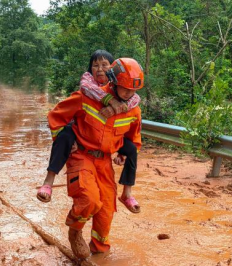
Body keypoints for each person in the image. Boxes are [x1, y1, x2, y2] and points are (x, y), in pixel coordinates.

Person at [47, 58, 143, 258]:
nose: (129, 94)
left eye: (132, 91)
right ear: (113, 81)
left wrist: (123, 154)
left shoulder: (133, 109)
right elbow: (56, 116)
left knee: (107, 208)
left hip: (104, 161)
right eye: (125, 89)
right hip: (81, 155)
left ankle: (100, 251)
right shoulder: (87, 97)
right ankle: (75, 231)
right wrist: (64, 142)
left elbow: (133, 138)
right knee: (89, 199)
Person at [37, 50, 141, 213]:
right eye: (95, 65)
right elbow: (85, 92)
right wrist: (110, 101)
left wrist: (117, 109)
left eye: (104, 65)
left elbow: (134, 98)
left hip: (107, 141)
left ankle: (127, 193)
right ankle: (48, 181)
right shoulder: (88, 86)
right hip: (80, 131)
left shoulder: (127, 92)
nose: (100, 69)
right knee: (64, 136)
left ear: (113, 70)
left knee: (132, 149)